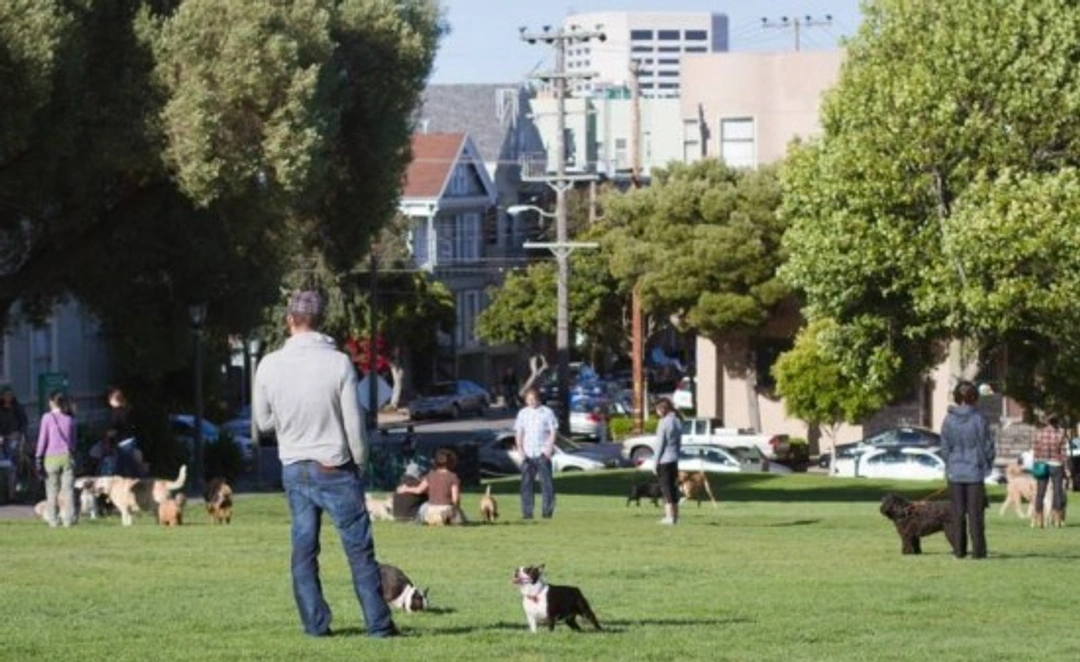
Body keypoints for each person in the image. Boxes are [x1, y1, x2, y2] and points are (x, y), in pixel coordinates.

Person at [254, 289, 398, 638]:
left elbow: (263, 422)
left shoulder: (269, 364)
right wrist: (359, 462)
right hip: (335, 466)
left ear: (289, 320)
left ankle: (315, 624)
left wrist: (289, 423)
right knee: (359, 551)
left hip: (294, 467)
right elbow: (353, 424)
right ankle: (378, 625)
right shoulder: (337, 363)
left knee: (303, 550)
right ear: (322, 322)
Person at [940, 380, 995, 559]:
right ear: (974, 398)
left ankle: (959, 550)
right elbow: (987, 446)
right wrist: (987, 465)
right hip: (974, 472)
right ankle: (978, 551)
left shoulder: (948, 420)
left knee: (957, 514)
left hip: (955, 472)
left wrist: (951, 464)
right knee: (976, 515)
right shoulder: (979, 419)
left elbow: (945, 448)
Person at [514, 387, 558, 520]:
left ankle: (547, 512)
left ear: (538, 398)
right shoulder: (523, 413)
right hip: (528, 453)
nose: (531, 402)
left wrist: (548, 449)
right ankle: (527, 513)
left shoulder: (547, 412)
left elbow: (553, 431)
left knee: (546, 484)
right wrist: (520, 449)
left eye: (533, 399)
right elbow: (519, 432)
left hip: (542, 452)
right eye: (528, 400)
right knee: (526, 485)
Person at [34, 391, 77, 527]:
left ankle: (53, 520)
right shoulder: (70, 419)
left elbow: (42, 439)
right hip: (66, 457)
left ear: (52, 402)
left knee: (51, 490)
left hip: (50, 458)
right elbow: (73, 442)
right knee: (68, 490)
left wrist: (38, 457)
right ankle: (68, 520)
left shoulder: (46, 418)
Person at [396, 447, 465, 525]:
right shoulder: (453, 477)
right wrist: (456, 510)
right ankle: (445, 517)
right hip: (446, 508)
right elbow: (455, 499)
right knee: (460, 516)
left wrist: (406, 489)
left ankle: (430, 518)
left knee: (424, 506)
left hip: (431, 509)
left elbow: (419, 490)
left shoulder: (430, 475)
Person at [1031, 415, 1068, 528]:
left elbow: (1036, 450)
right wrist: (1066, 468)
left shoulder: (1039, 433)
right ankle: (1057, 520)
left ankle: (1039, 520)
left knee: (1040, 493)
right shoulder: (1060, 433)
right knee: (1057, 492)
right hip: (1056, 464)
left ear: (1047, 422)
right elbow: (1063, 453)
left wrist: (1036, 462)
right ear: (1057, 422)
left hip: (1042, 464)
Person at [653, 397, 682, 525]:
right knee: (673, 488)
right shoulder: (677, 420)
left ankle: (669, 517)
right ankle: (675, 516)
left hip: (664, 460)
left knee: (666, 489)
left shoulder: (663, 422)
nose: (657, 412)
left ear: (662, 409)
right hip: (674, 459)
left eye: (657, 409)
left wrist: (655, 463)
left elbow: (660, 444)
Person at [107, 388, 146, 478]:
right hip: (130, 439)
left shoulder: (116, 411)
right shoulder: (128, 408)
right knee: (126, 465)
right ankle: (141, 482)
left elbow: (115, 427)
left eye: (109, 399)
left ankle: (143, 482)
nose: (109, 401)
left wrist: (109, 434)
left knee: (125, 466)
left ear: (114, 399)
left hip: (123, 441)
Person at [0, 384, 28, 460]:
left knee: (13, 452)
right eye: (6, 394)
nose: (8, 396)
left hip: (14, 438)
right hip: (2, 439)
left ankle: (13, 470)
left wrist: (20, 434)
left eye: (10, 394)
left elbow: (24, 423)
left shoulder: (17, 408)